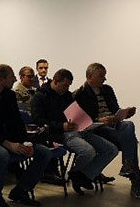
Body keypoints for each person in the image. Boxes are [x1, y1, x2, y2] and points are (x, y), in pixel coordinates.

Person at [0, 64, 51, 207]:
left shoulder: (9, 95)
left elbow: (16, 122)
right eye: (11, 77)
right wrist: (7, 143)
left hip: (9, 138)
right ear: (1, 79)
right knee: (1, 155)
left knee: (44, 152)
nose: (14, 79)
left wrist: (25, 142)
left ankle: (21, 190)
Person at [32, 69, 126, 197]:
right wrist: (61, 126)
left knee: (111, 150)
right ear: (55, 81)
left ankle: (82, 175)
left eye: (69, 86)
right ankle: (78, 174)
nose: (67, 88)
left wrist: (87, 122)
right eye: (65, 85)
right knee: (88, 151)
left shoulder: (67, 96)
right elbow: (37, 120)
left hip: (77, 130)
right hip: (59, 134)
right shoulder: (40, 97)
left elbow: (76, 113)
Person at [74, 63, 140, 200]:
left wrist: (124, 113)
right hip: (98, 128)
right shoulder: (80, 94)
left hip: (114, 124)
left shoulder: (107, 90)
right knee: (130, 142)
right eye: (101, 76)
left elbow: (115, 109)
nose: (104, 79)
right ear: (90, 77)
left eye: (104, 75)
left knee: (128, 125)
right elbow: (83, 120)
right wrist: (100, 120)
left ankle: (128, 165)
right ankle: (135, 180)